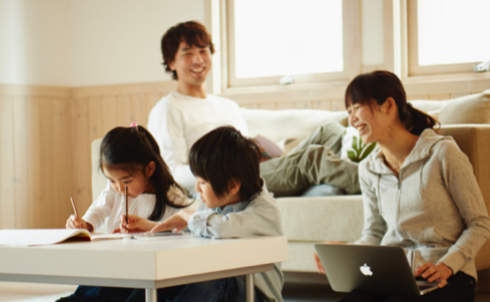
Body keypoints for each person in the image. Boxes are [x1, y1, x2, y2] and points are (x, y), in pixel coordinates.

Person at [314, 70, 490, 302]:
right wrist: (343, 251)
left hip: (449, 275)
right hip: (394, 276)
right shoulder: (368, 168)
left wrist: (448, 264)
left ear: (388, 106)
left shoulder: (442, 154)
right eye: (349, 111)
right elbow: (374, 233)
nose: (352, 119)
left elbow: (479, 223)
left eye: (356, 107)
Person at [147, 20, 360, 197]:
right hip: (232, 179)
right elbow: (172, 171)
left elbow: (245, 148)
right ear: (171, 62)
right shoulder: (168, 109)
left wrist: (269, 149)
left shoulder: (227, 106)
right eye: (187, 53)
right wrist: (217, 174)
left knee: (330, 131)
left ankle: (327, 180)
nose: (198, 59)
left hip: (254, 166)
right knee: (315, 157)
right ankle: (377, 183)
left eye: (203, 51)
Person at [65, 123, 189, 234]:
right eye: (112, 180)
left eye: (126, 181)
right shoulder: (113, 190)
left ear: (149, 169)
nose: (119, 188)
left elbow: (188, 228)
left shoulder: (172, 197)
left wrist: (151, 227)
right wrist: (84, 225)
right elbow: (98, 212)